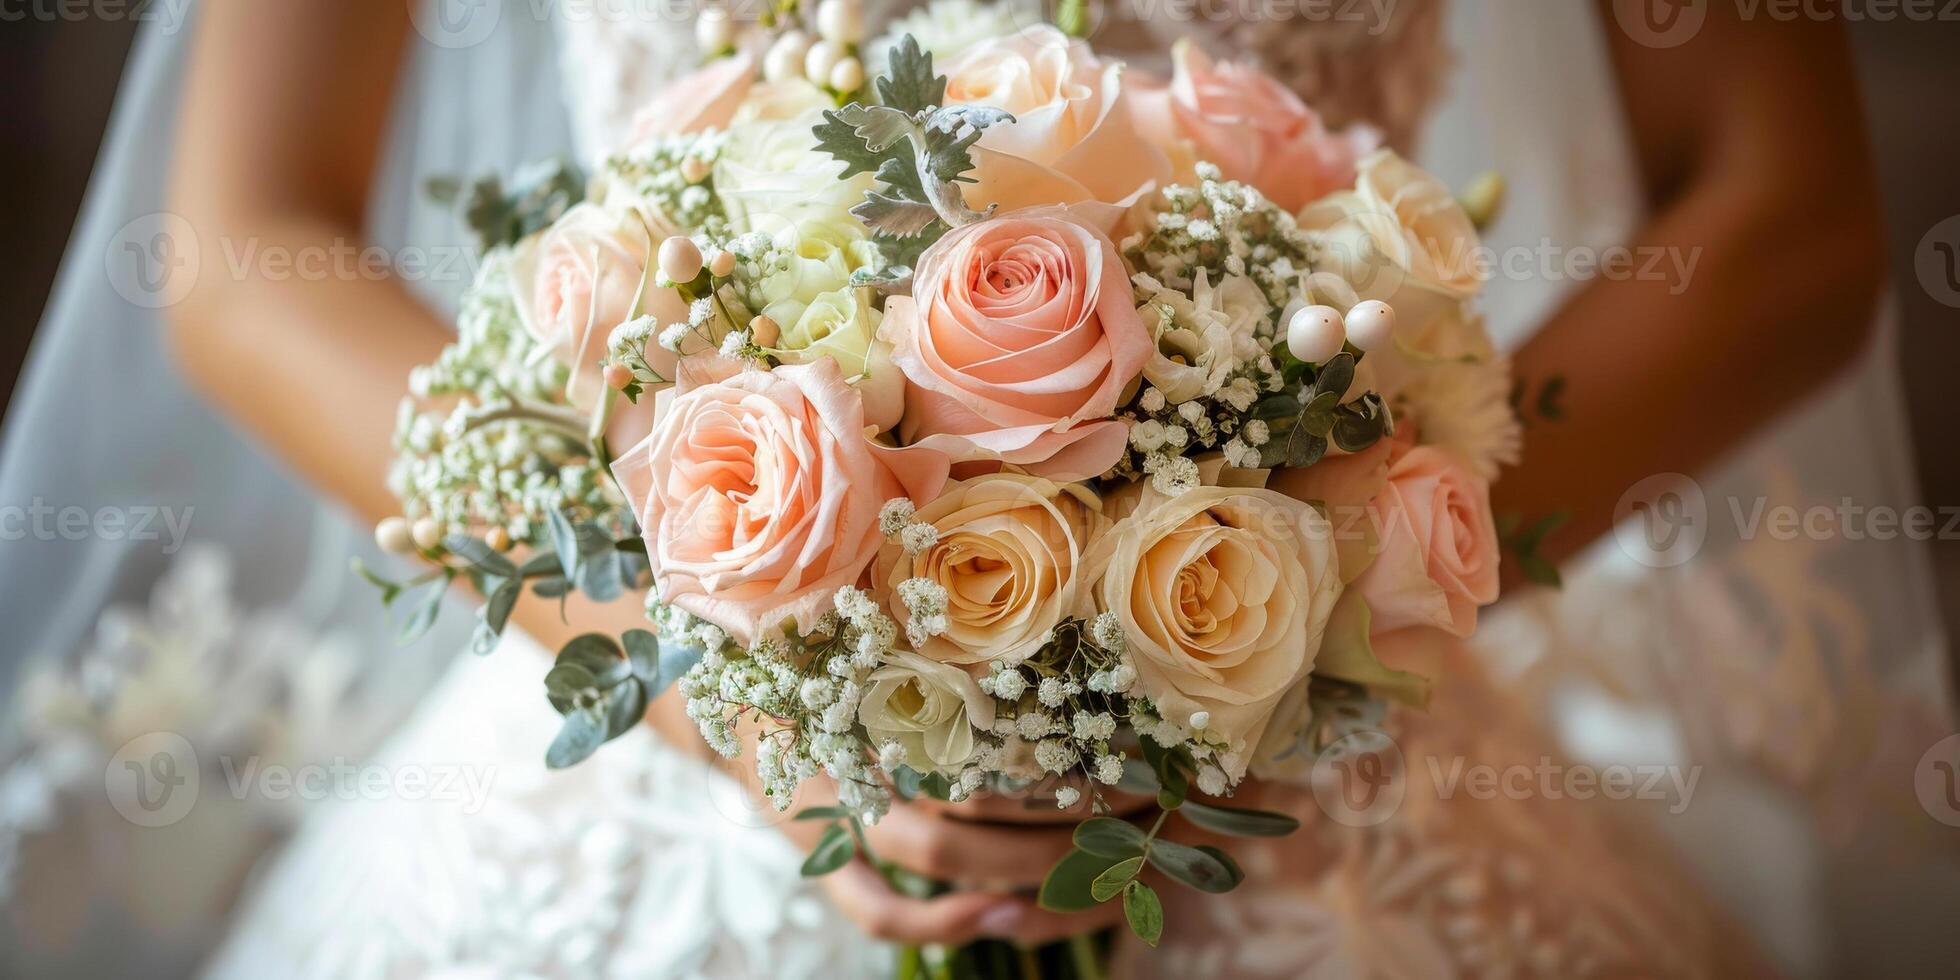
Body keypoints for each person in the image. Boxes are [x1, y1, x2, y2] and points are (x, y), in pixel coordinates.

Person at [3, 0, 1947, 975]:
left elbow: (1778, 215)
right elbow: (246, 240)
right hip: (650, 716)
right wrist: (713, 674)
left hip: (1347, 769)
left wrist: (1345, 584)